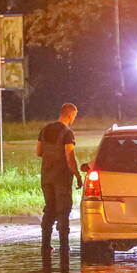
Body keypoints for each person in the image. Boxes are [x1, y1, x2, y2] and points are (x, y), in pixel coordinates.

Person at [37, 103, 83, 253]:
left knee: (49, 209)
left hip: (46, 176)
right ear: (71, 115)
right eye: (74, 116)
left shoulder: (45, 130)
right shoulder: (67, 133)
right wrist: (77, 175)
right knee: (63, 210)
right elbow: (69, 156)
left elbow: (38, 152)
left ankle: (45, 245)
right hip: (62, 177)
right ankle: (64, 245)